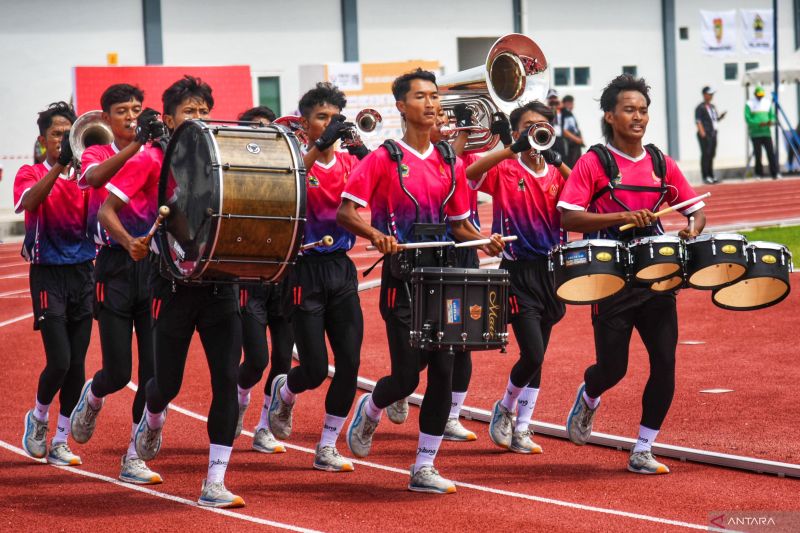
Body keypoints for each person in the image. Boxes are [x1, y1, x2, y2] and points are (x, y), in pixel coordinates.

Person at [337, 69, 504, 494]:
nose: (430, 104)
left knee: (444, 370)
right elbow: (346, 212)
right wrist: (375, 235)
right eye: (420, 97)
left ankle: (424, 466)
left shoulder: (451, 161)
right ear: (401, 105)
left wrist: (484, 240)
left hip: (445, 276)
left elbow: (460, 224)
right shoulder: (384, 158)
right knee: (408, 378)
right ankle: (371, 408)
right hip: (404, 276)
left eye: (434, 96)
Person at [99, 76, 245, 508]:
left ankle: (215, 481)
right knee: (166, 384)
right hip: (171, 284)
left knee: (226, 380)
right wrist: (130, 242)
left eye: (203, 111)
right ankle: (152, 417)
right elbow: (107, 210)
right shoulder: (151, 159)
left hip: (220, 282)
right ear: (168, 119)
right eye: (189, 112)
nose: (198, 118)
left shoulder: (224, 160)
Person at [557, 74, 707, 475]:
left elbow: (696, 209)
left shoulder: (660, 162)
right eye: (629, 109)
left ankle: (643, 448)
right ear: (610, 115)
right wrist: (620, 217)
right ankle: (589, 396)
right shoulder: (594, 162)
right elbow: (569, 216)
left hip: (657, 277)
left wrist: (692, 227)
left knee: (665, 363)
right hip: (610, 279)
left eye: (643, 110)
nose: (638, 116)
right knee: (613, 369)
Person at [68, 84, 163, 485]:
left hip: (154, 267)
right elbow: (92, 179)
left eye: (136, 109)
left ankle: (133, 456)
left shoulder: (157, 153)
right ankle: (94, 395)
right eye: (122, 110)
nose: (131, 116)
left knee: (154, 371)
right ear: (106, 118)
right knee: (120, 372)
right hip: (113, 266)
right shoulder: (98, 152)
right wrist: (137, 147)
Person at [268, 83, 363, 472]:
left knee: (350, 363)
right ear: (304, 124)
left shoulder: (349, 165)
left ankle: (327, 445)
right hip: (304, 270)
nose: (330, 124)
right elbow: (280, 188)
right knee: (314, 368)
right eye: (322, 118)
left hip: (341, 268)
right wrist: (318, 145)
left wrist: (361, 149)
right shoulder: (294, 161)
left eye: (335, 118)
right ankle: (285, 392)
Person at [465, 101, 569, 455]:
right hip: (517, 272)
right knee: (533, 353)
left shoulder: (557, 171)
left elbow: (585, 195)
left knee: (539, 354)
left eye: (542, 126)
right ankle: (506, 407)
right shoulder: (506, 167)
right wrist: (510, 147)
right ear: (517, 132)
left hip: (553, 271)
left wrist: (560, 162)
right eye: (528, 127)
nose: (535, 132)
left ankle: (523, 427)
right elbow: (471, 172)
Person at [16, 102, 95, 467]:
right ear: (43, 140)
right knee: (59, 360)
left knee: (77, 365)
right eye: (56, 134)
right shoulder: (30, 173)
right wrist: (59, 167)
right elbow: (29, 202)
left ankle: (61, 440)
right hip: (48, 274)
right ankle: (38, 417)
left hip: (83, 274)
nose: (63, 139)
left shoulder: (86, 179)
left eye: (68, 134)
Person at [230, 104, 294, 456]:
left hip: (285, 276)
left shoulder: (291, 168)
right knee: (257, 359)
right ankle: (240, 398)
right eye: (255, 128)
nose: (263, 134)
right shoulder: (233, 170)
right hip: (250, 277)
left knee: (283, 359)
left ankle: (264, 427)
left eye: (268, 128)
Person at [745, 85, 778, 179]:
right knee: (758, 154)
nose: (760, 96)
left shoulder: (767, 102)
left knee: (771, 153)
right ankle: (759, 174)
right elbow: (748, 118)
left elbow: (772, 116)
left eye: (762, 95)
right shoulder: (749, 103)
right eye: (759, 95)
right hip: (755, 134)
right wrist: (759, 124)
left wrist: (770, 121)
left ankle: (774, 173)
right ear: (755, 94)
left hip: (766, 133)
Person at [695, 86, 726, 184]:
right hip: (705, 134)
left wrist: (721, 117)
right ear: (705, 95)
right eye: (710, 94)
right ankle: (706, 176)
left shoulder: (712, 106)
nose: (712, 96)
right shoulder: (700, 107)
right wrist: (702, 132)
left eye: (712, 94)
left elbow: (714, 119)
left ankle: (711, 175)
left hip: (713, 134)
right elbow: (698, 121)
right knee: (706, 155)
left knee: (712, 154)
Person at [561, 95, 584, 168]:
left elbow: (575, 128)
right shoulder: (565, 113)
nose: (572, 105)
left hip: (575, 144)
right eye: (569, 103)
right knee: (572, 167)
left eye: (572, 103)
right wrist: (577, 140)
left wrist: (580, 139)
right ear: (565, 103)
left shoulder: (569, 113)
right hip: (570, 145)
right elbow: (564, 131)